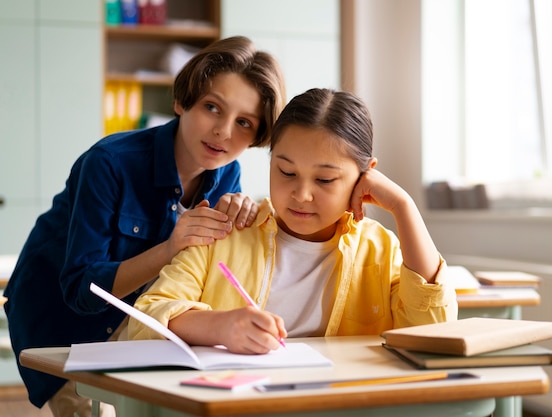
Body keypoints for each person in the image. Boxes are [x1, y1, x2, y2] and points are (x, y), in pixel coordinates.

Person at [3, 35, 286, 415]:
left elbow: (205, 271)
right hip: (66, 322)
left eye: (244, 122)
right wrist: (171, 247)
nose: (224, 131)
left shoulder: (226, 173)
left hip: (143, 321)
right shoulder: (108, 163)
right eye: (212, 107)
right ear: (181, 101)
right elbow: (81, 291)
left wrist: (238, 222)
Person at [128, 88, 458, 354]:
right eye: (286, 172)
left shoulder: (379, 248)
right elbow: (144, 320)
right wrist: (220, 327)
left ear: (365, 175)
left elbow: (433, 329)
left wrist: (404, 207)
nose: (301, 194)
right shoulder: (227, 231)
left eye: (325, 180)